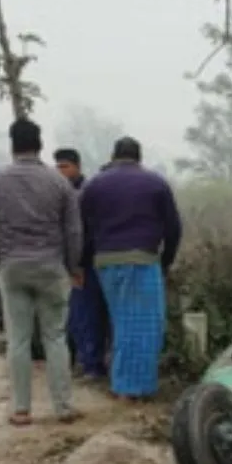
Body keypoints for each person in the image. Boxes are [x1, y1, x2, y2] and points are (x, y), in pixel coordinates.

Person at [0, 119, 83, 426]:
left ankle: (21, 409)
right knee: (55, 337)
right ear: (40, 145)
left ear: (12, 145)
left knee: (19, 340)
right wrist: (73, 265)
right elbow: (74, 231)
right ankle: (63, 407)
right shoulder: (58, 183)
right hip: (51, 267)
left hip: (12, 267)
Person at [79, 137, 182, 401]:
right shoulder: (155, 184)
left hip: (105, 263)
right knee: (144, 325)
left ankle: (125, 383)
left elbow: (82, 229)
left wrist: (81, 262)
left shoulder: (94, 185)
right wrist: (166, 261)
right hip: (142, 260)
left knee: (121, 320)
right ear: (139, 157)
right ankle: (132, 388)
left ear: (113, 156)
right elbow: (173, 228)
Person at [54, 148, 110, 380]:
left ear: (77, 167)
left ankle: (93, 365)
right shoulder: (58, 192)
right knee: (77, 317)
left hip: (89, 262)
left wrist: (79, 263)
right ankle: (84, 361)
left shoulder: (87, 192)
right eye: (58, 167)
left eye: (65, 166)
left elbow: (85, 232)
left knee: (88, 315)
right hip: (70, 263)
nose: (61, 172)